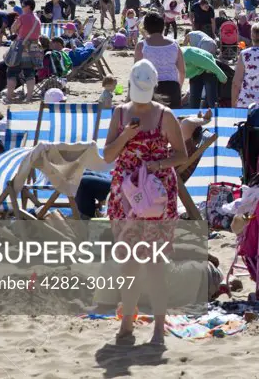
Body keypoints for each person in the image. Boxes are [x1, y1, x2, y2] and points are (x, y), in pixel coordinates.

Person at [103, 59, 189, 347]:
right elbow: (107, 155)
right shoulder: (119, 113)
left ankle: (158, 329)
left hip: (155, 195)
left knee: (154, 264)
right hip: (126, 195)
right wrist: (126, 135)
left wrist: (156, 165)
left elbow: (181, 154)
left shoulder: (165, 116)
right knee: (128, 263)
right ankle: (127, 324)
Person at [134, 12, 185, 107]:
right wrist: (178, 89)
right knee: (172, 119)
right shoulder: (174, 44)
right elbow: (182, 71)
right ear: (163, 26)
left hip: (151, 88)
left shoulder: (141, 46)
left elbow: (136, 72)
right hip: (172, 87)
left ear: (146, 27)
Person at [7, 0, 42, 104]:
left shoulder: (22, 17)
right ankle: (29, 97)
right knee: (29, 73)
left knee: (12, 71)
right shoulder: (37, 19)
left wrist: (16, 26)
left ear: (28, 6)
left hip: (20, 47)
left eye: (23, 5)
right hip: (33, 48)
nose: (21, 7)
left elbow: (13, 29)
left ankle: (9, 97)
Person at [184, 43, 227, 108]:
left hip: (208, 68)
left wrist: (222, 77)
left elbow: (208, 63)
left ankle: (216, 116)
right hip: (195, 72)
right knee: (193, 100)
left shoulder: (187, 54)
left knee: (211, 100)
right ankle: (194, 116)